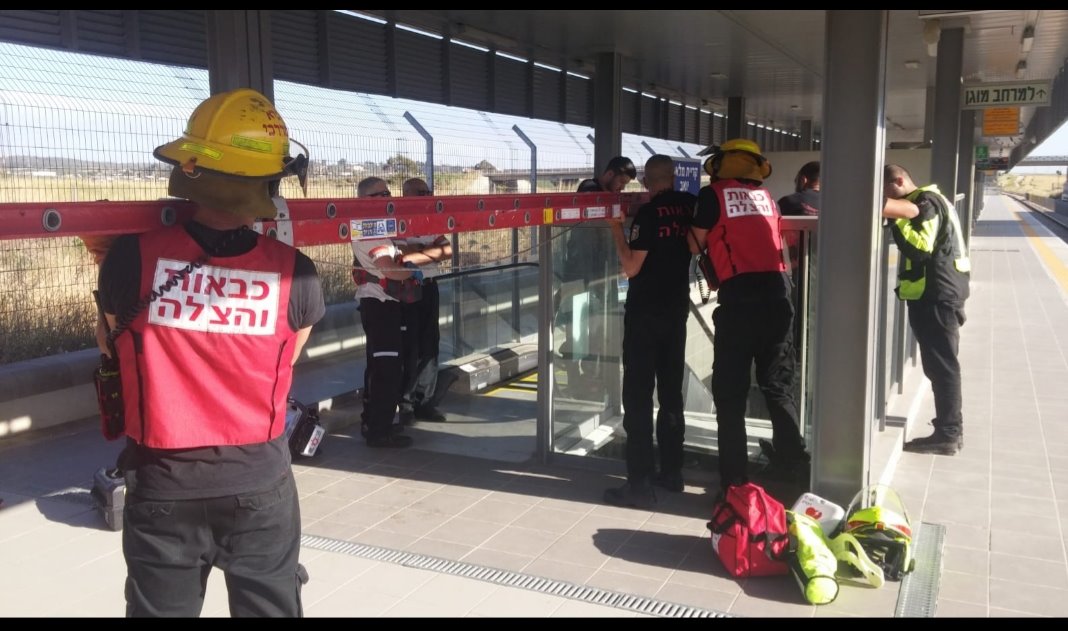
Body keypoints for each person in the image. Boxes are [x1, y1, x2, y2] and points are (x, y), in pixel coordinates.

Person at [96, 88, 324, 617]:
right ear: (268, 181)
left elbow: (113, 340)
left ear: (191, 169)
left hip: (162, 483)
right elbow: (284, 360)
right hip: (259, 483)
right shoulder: (298, 273)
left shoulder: (131, 257)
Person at [690, 138, 809, 490]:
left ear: (721, 164)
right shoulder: (765, 197)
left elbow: (694, 243)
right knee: (777, 385)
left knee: (730, 394)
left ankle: (734, 480)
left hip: (739, 300)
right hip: (778, 295)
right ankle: (794, 465)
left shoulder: (713, 196)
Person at [603, 155, 695, 507]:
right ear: (673, 177)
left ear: (644, 181)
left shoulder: (649, 214)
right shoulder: (689, 206)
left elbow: (630, 267)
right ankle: (672, 473)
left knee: (638, 397)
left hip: (645, 314)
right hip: (676, 310)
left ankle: (638, 482)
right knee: (671, 392)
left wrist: (616, 228)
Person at [883, 164, 970, 455]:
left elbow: (921, 247)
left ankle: (948, 433)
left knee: (942, 366)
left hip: (936, 295)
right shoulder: (931, 200)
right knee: (941, 365)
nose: (890, 201)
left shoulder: (926, 202)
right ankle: (950, 430)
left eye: (888, 194)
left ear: (899, 180)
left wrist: (896, 219)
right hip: (938, 293)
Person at [351, 176, 420, 448]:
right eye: (380, 195)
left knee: (385, 366)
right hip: (379, 305)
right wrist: (410, 273)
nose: (387, 197)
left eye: (388, 193)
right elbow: (388, 268)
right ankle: (378, 430)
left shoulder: (379, 227)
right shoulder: (369, 229)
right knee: (386, 369)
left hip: (385, 304)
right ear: (364, 199)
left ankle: (378, 423)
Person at [396, 177, 452, 424]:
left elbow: (447, 250)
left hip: (429, 288)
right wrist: (429, 251)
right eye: (420, 192)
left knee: (430, 345)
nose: (425, 195)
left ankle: (425, 403)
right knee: (410, 347)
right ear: (406, 193)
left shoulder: (431, 220)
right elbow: (402, 257)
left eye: (428, 191)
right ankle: (405, 405)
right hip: (407, 289)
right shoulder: (397, 221)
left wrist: (420, 250)